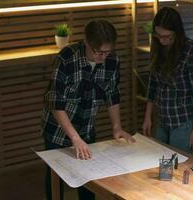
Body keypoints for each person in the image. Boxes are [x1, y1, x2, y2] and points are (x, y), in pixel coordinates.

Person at [41, 19, 135, 200]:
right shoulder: (67, 57)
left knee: (88, 178)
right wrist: (74, 138)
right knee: (55, 177)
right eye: (98, 52)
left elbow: (112, 94)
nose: (103, 57)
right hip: (57, 130)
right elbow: (55, 101)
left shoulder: (112, 61)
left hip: (87, 127)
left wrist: (117, 127)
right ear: (86, 42)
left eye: (107, 52)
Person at [142, 7, 193, 153]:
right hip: (163, 117)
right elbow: (152, 85)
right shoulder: (158, 46)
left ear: (177, 33)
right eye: (159, 35)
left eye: (167, 36)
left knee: (179, 163)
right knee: (160, 159)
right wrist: (148, 116)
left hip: (183, 119)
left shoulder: (191, 50)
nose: (163, 40)